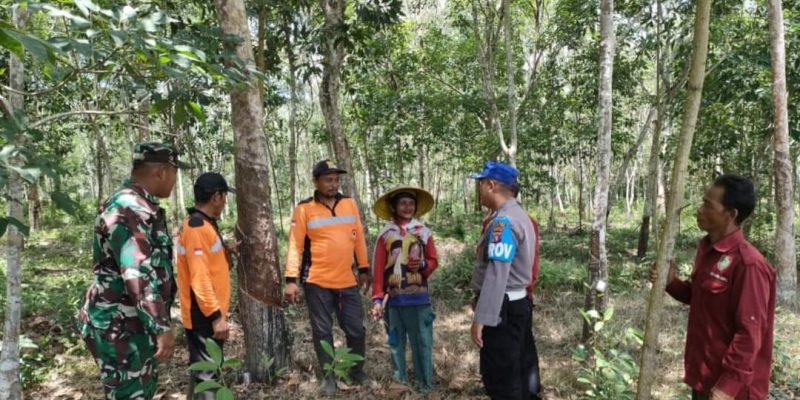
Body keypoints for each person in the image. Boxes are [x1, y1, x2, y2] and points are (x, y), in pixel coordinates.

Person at [77, 142, 189, 399]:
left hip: (131, 324)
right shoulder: (129, 209)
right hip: (120, 326)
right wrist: (161, 326)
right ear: (160, 171)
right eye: (174, 171)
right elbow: (136, 272)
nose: (174, 179)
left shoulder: (138, 206)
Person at [652, 175, 776, 400]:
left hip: (731, 391)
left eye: (708, 205)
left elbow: (750, 332)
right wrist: (670, 282)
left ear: (731, 214)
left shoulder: (749, 265)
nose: (699, 210)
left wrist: (728, 386)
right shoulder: (707, 249)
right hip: (704, 376)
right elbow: (699, 297)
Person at [283, 160, 370, 395]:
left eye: (336, 179)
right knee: (322, 332)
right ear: (316, 181)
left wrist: (364, 268)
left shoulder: (349, 204)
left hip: (347, 281)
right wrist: (291, 280)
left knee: (356, 330)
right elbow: (295, 245)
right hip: (317, 281)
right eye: (328, 179)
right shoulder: (304, 209)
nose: (333, 184)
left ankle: (357, 370)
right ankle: (328, 376)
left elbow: (358, 237)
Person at [470, 160, 539, 400]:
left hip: (503, 310)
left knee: (501, 377)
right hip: (517, 305)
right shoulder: (519, 216)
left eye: (480, 185)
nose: (479, 191)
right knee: (521, 370)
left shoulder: (503, 222)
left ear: (491, 185)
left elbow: (497, 274)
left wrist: (482, 317)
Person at [370, 186, 439, 394]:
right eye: (403, 203)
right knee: (395, 342)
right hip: (394, 301)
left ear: (416, 207)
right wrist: (377, 299)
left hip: (418, 299)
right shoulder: (385, 234)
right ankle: (399, 382)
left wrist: (424, 266)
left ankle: (424, 385)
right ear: (393, 207)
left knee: (422, 343)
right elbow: (378, 268)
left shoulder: (423, 232)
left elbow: (434, 260)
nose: (407, 207)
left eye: (411, 203)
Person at [176, 172, 236, 399]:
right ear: (216, 197)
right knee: (208, 373)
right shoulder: (197, 228)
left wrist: (226, 251)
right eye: (224, 196)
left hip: (206, 311)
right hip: (203, 314)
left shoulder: (204, 225)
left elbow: (207, 264)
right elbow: (199, 278)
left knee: (201, 371)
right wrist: (216, 317)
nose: (225, 201)